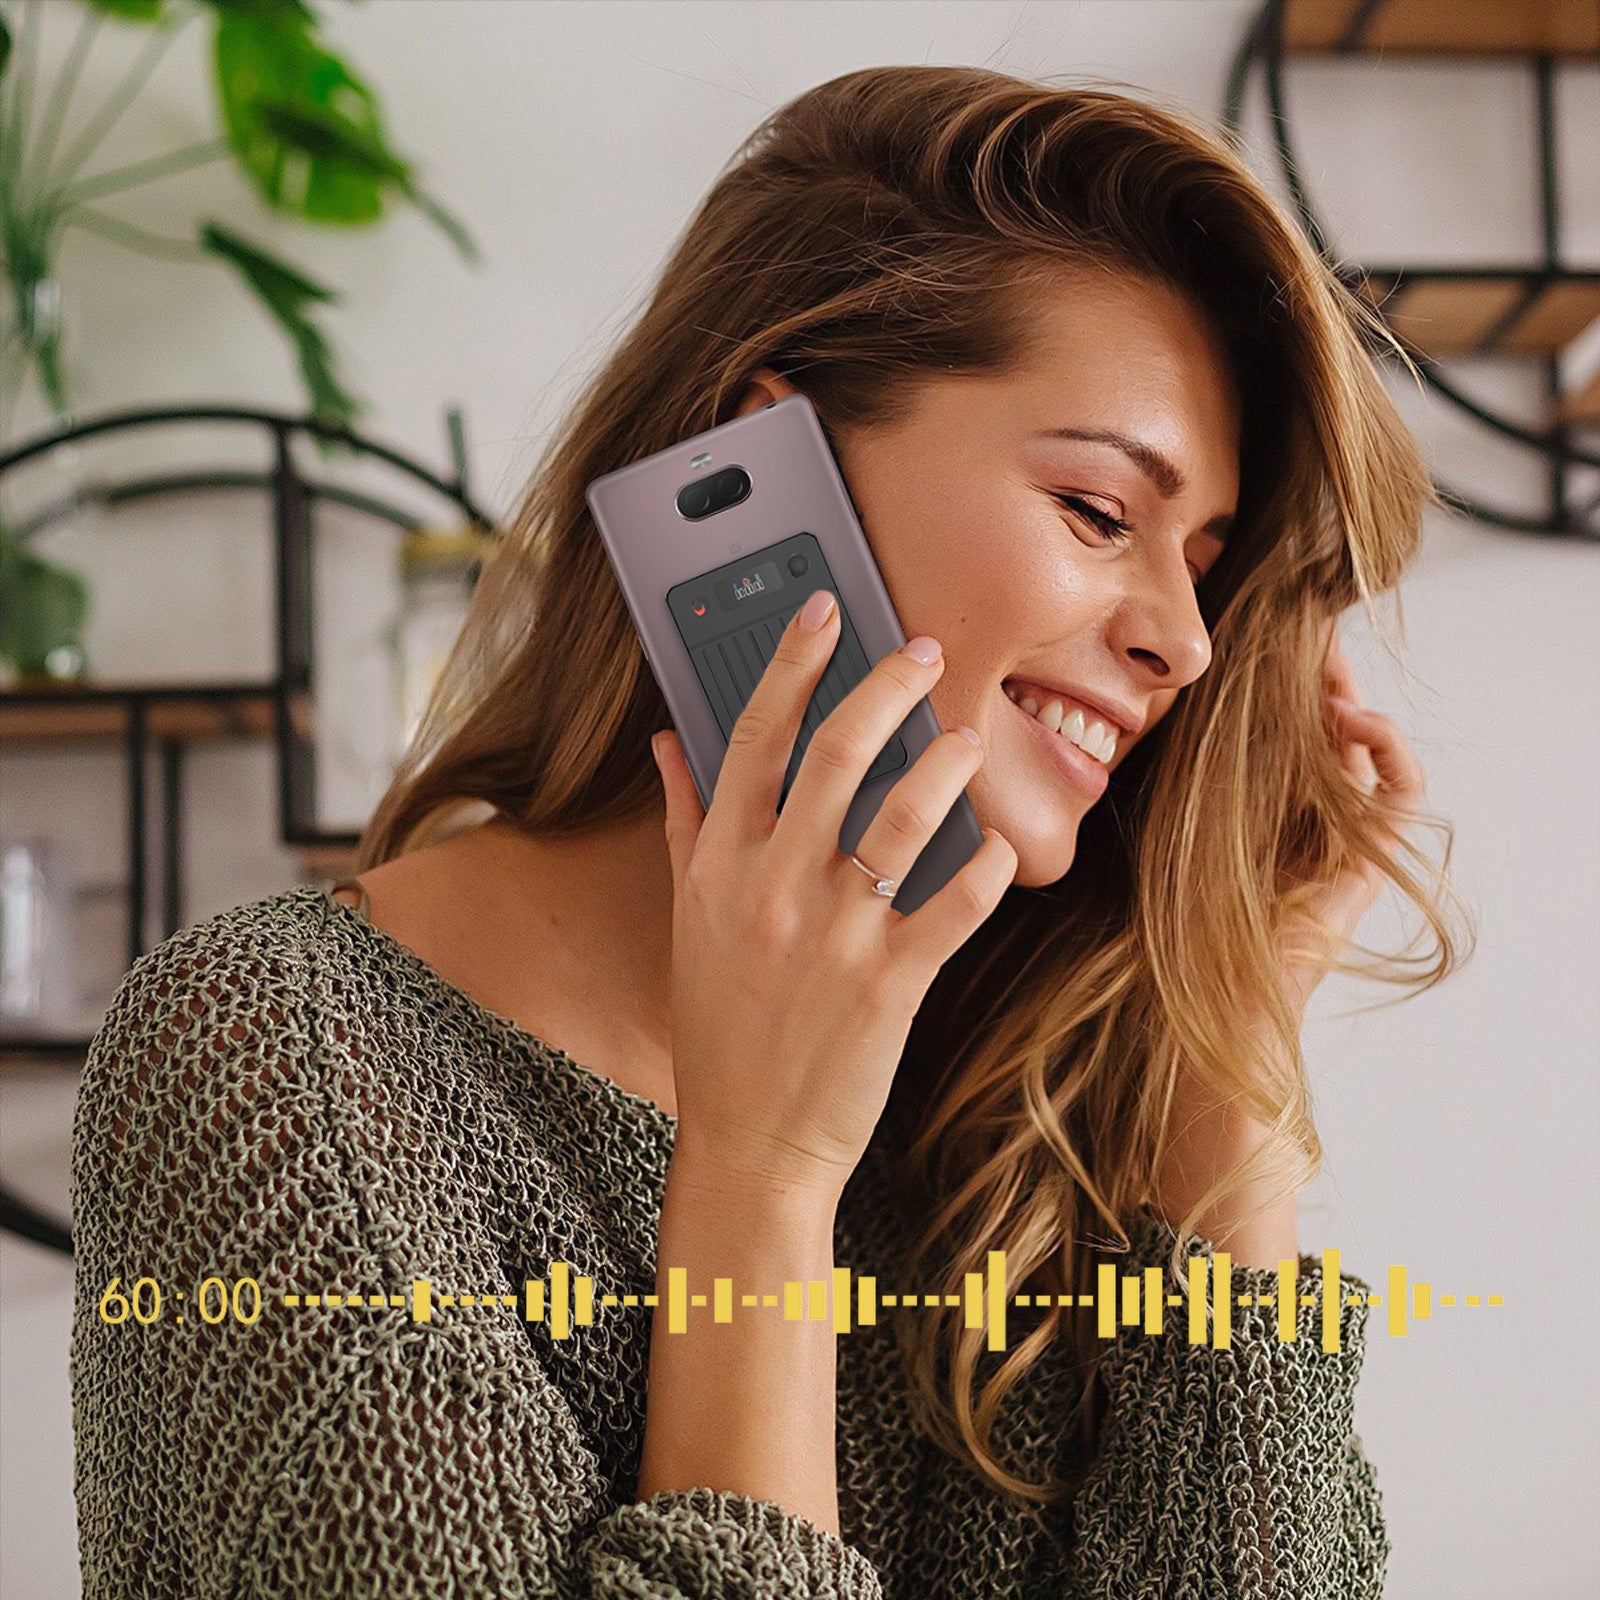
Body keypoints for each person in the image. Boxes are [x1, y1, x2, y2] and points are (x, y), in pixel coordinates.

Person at [69, 64, 1472, 1599]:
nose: (1183, 646)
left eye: (1202, 562)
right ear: (767, 467)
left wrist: (1228, 1078)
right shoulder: (271, 1064)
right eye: (1095, 511)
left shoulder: (1025, 1115)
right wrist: (766, 1175)